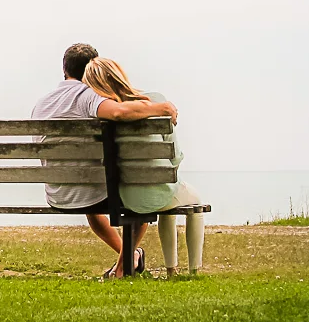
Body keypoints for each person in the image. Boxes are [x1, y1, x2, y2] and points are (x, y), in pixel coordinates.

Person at [32, 43, 178, 276]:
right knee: (139, 192)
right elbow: (119, 112)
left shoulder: (43, 103)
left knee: (100, 200)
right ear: (93, 70)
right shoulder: (87, 96)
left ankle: (130, 256)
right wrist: (159, 107)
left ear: (64, 70)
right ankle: (122, 268)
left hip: (58, 193)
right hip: (92, 192)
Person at [79, 55, 206, 276]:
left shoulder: (102, 114)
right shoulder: (156, 101)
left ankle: (171, 268)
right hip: (158, 192)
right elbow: (174, 158)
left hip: (125, 196)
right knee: (192, 200)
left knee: (169, 198)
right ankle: (192, 270)